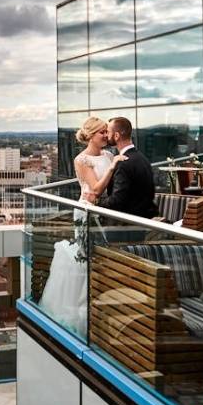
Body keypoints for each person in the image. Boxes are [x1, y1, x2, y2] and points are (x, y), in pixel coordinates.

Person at [39, 117, 125, 336]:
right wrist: (114, 166)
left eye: (107, 132)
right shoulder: (82, 160)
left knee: (104, 258)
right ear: (90, 136)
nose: (106, 136)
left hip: (106, 211)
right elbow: (95, 189)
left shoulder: (107, 155)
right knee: (87, 259)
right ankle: (81, 314)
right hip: (87, 212)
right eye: (101, 133)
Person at [99, 117, 157, 217]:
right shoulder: (142, 158)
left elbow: (117, 200)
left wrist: (97, 204)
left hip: (128, 224)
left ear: (116, 135)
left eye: (108, 132)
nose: (106, 135)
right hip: (145, 218)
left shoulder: (123, 162)